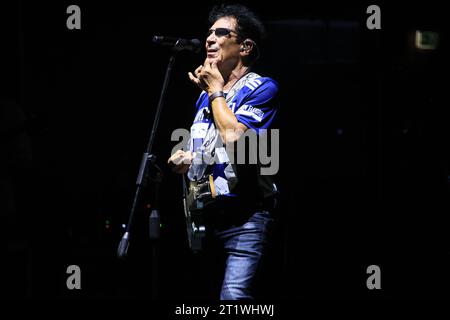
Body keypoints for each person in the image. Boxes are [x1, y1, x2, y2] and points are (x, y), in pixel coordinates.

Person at [168, 3, 280, 300]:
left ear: (244, 47)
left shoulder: (262, 88)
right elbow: (215, 150)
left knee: (234, 297)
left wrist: (215, 90)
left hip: (246, 218)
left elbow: (237, 142)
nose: (209, 39)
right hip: (208, 220)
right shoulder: (207, 98)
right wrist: (189, 158)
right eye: (208, 33)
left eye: (221, 33)